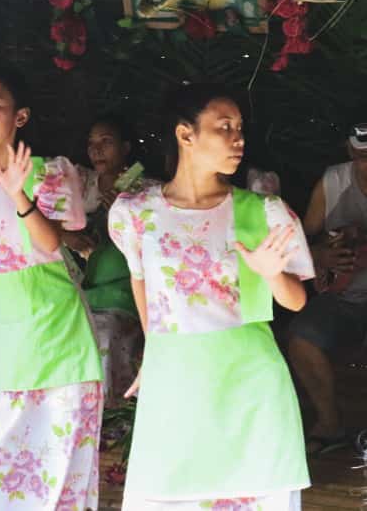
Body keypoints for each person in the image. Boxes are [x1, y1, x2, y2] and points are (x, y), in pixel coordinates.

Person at [109, 83, 311, 509]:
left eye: (239, 127)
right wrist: (153, 354)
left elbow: (296, 301)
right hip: (176, 380)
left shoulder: (264, 210)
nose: (238, 138)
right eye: (224, 127)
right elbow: (140, 280)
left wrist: (272, 275)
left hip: (250, 384)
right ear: (186, 134)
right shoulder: (135, 212)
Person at [0, 68, 102, 510]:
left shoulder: (50, 173)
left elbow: (50, 242)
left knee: (61, 439)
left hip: (56, 318)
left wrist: (17, 193)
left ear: (21, 116)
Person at [288, 122, 367, 454]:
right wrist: (323, 254)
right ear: (350, 153)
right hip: (343, 297)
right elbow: (298, 241)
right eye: (364, 156)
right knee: (302, 337)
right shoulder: (333, 181)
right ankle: (330, 424)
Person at [65, 115, 152, 405]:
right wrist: (68, 237)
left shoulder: (146, 188)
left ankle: (111, 407)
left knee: (104, 332)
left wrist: (122, 214)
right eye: (92, 144)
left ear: (126, 147)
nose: (97, 150)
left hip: (123, 287)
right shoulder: (77, 182)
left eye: (106, 142)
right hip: (76, 285)